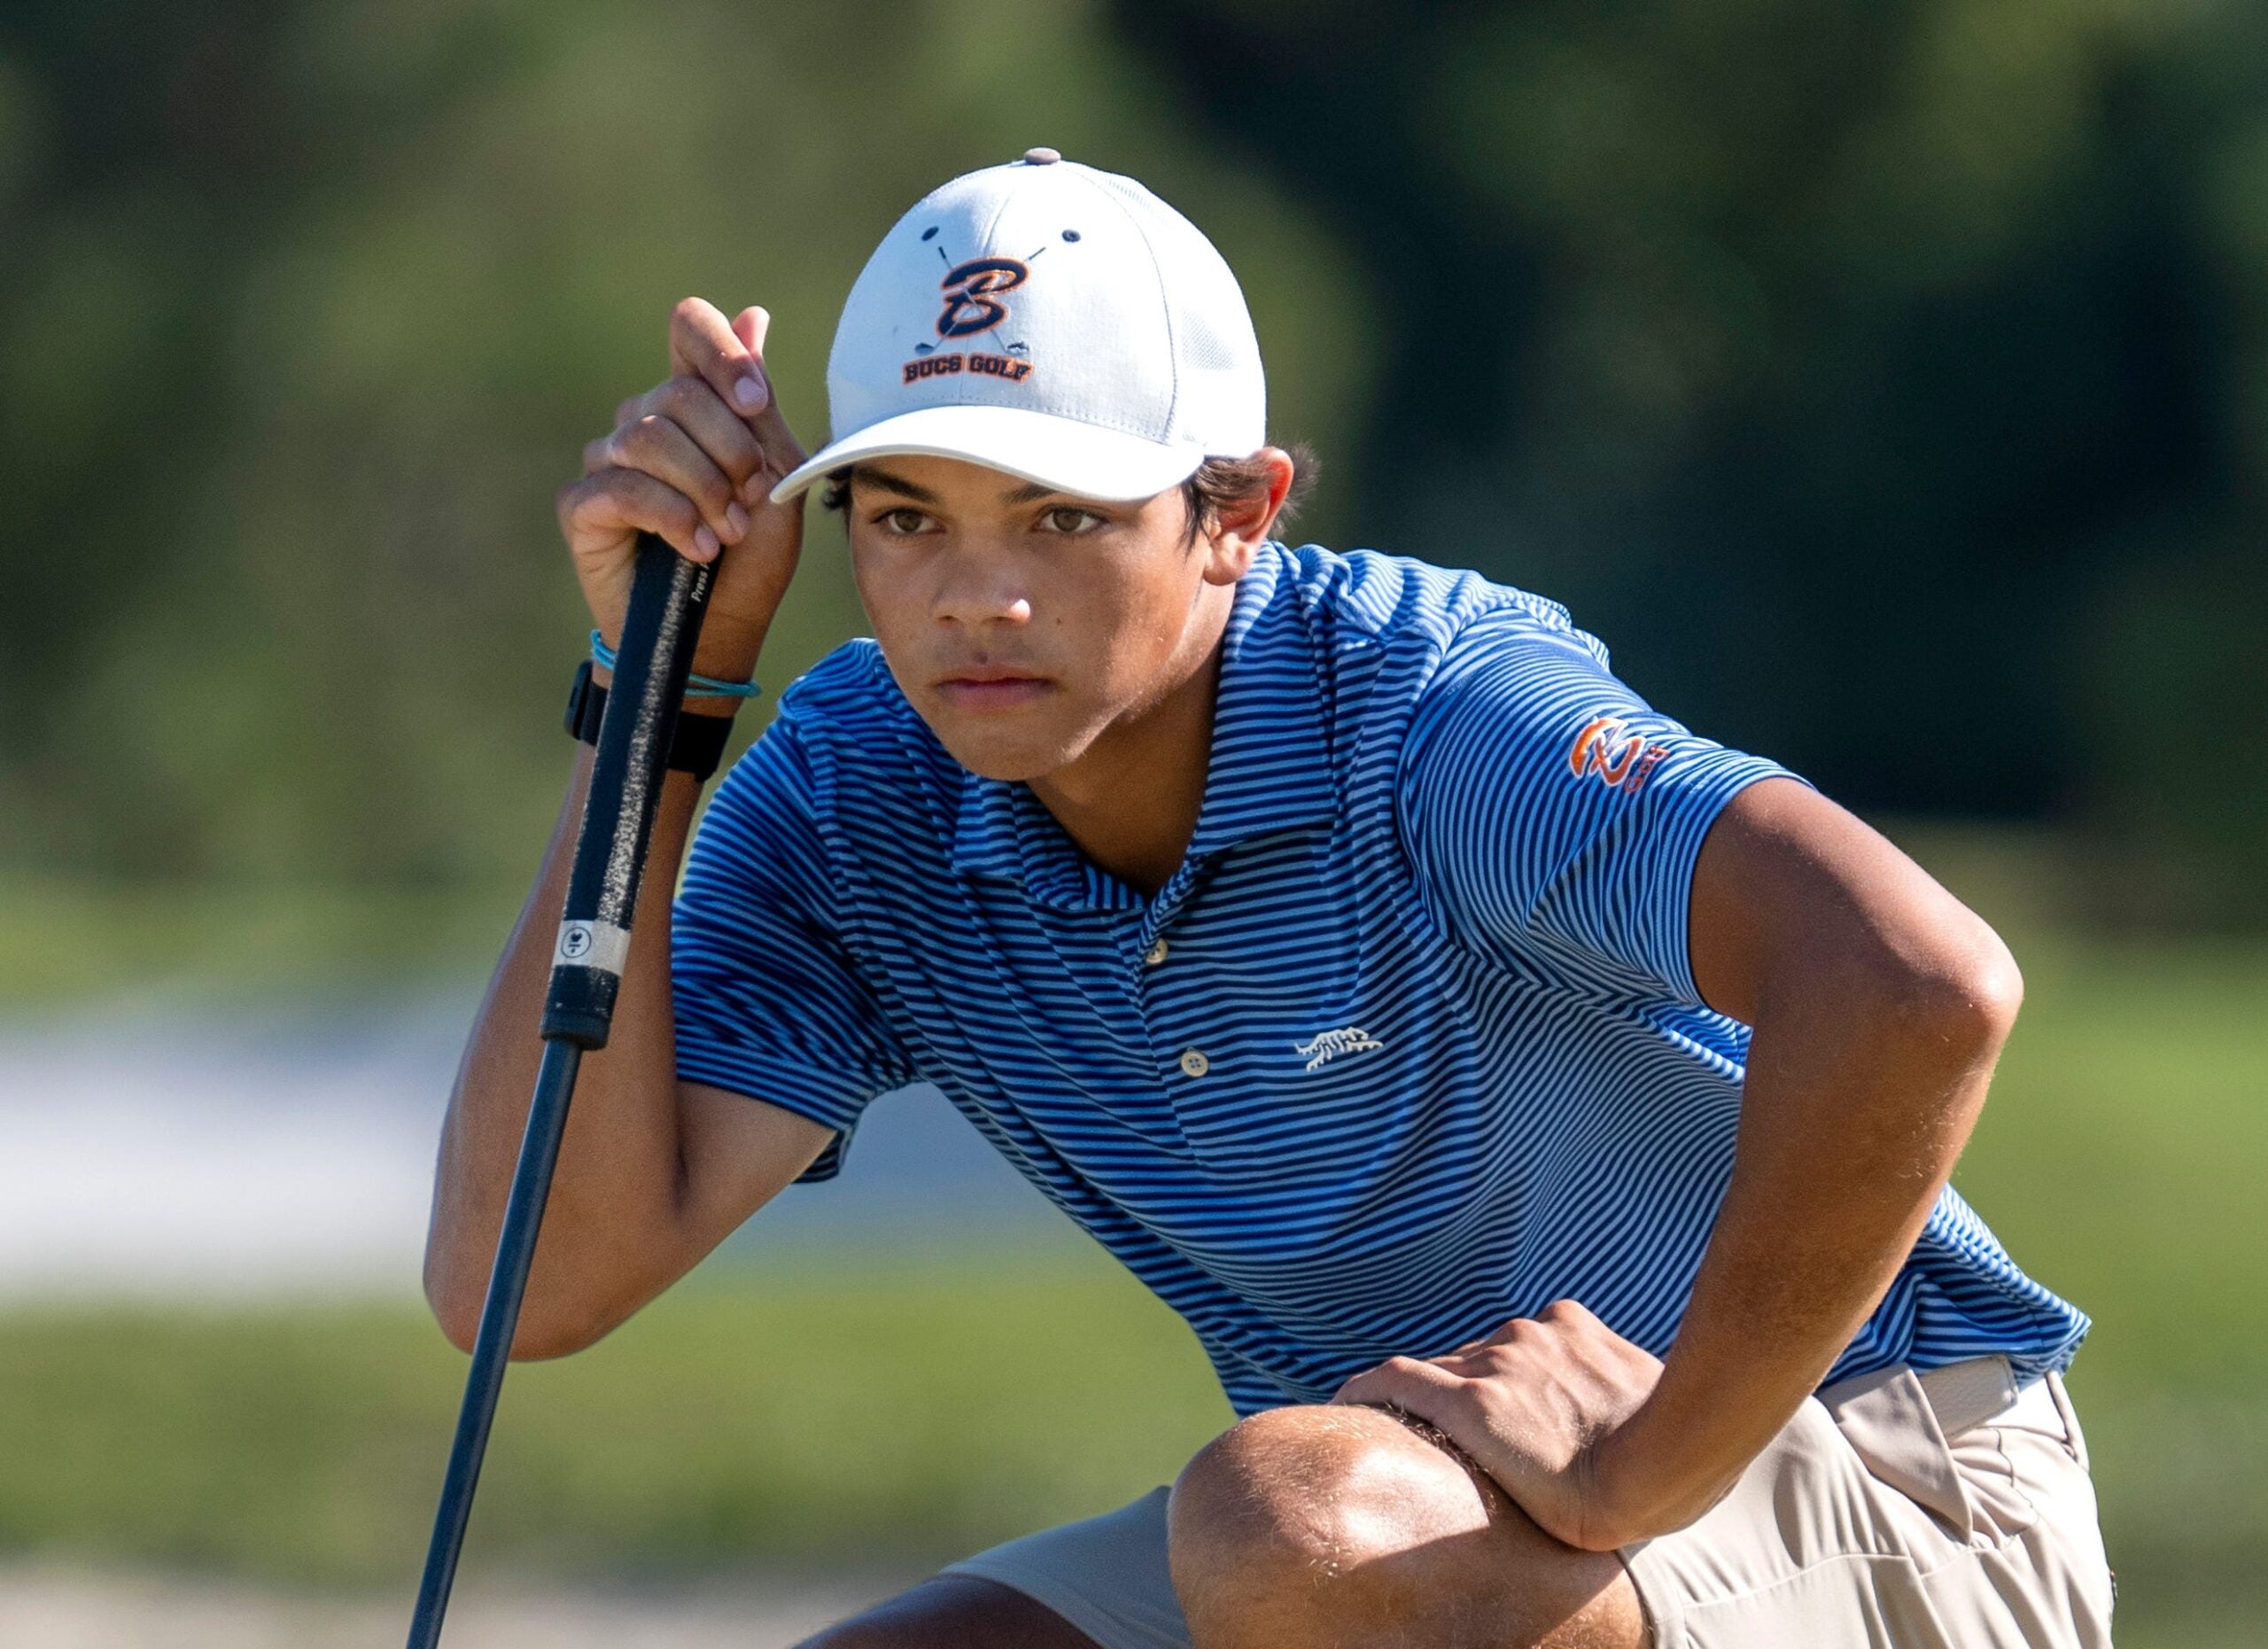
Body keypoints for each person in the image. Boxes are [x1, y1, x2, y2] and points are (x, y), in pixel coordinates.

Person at [424, 150, 2114, 1648]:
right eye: (906, 517)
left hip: (1887, 1470)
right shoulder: (861, 787)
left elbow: (1917, 982)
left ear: (1235, 512)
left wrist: (1644, 1462)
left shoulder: (1436, 713)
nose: (977, 598)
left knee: (1278, 1524)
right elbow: (534, 1276)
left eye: (1064, 514)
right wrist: (661, 696)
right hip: (1403, 1541)